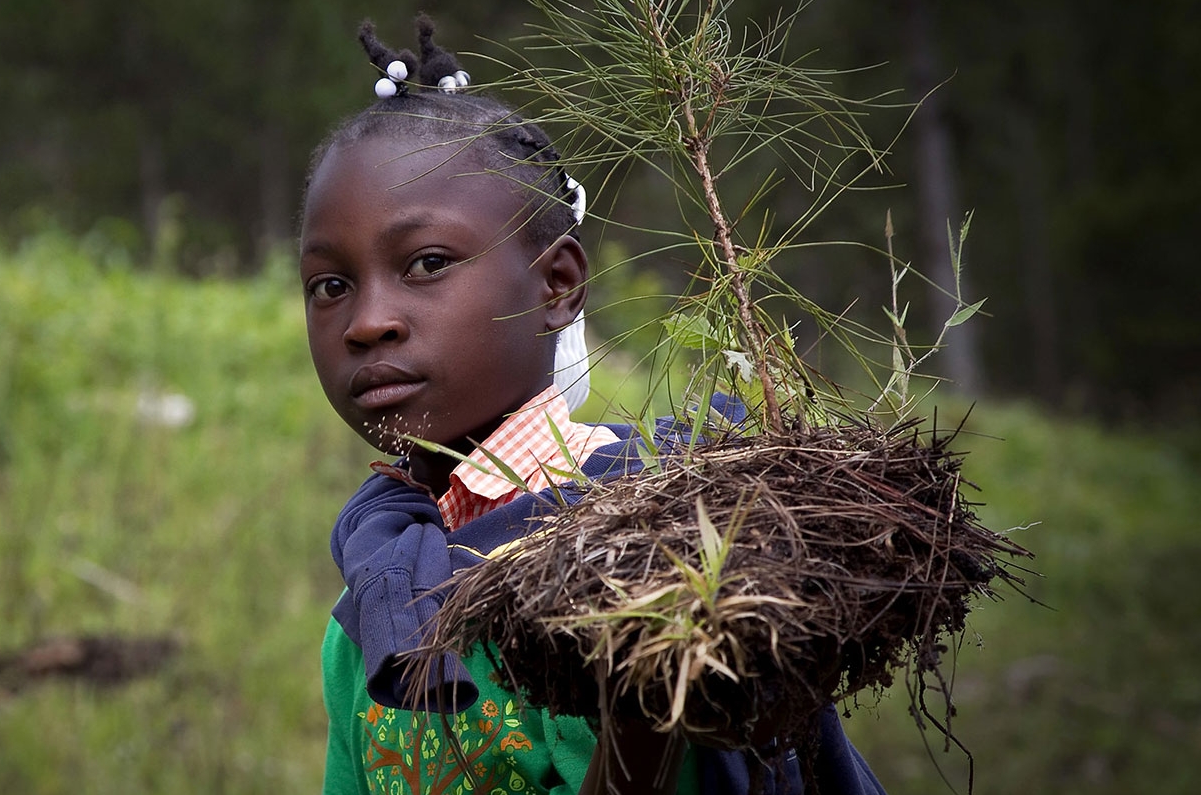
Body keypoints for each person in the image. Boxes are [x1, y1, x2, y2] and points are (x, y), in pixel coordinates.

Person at [301, 16, 885, 795]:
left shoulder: (645, 543)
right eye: (330, 286)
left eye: (429, 262)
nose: (369, 320)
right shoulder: (371, 605)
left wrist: (643, 695)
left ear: (558, 285)